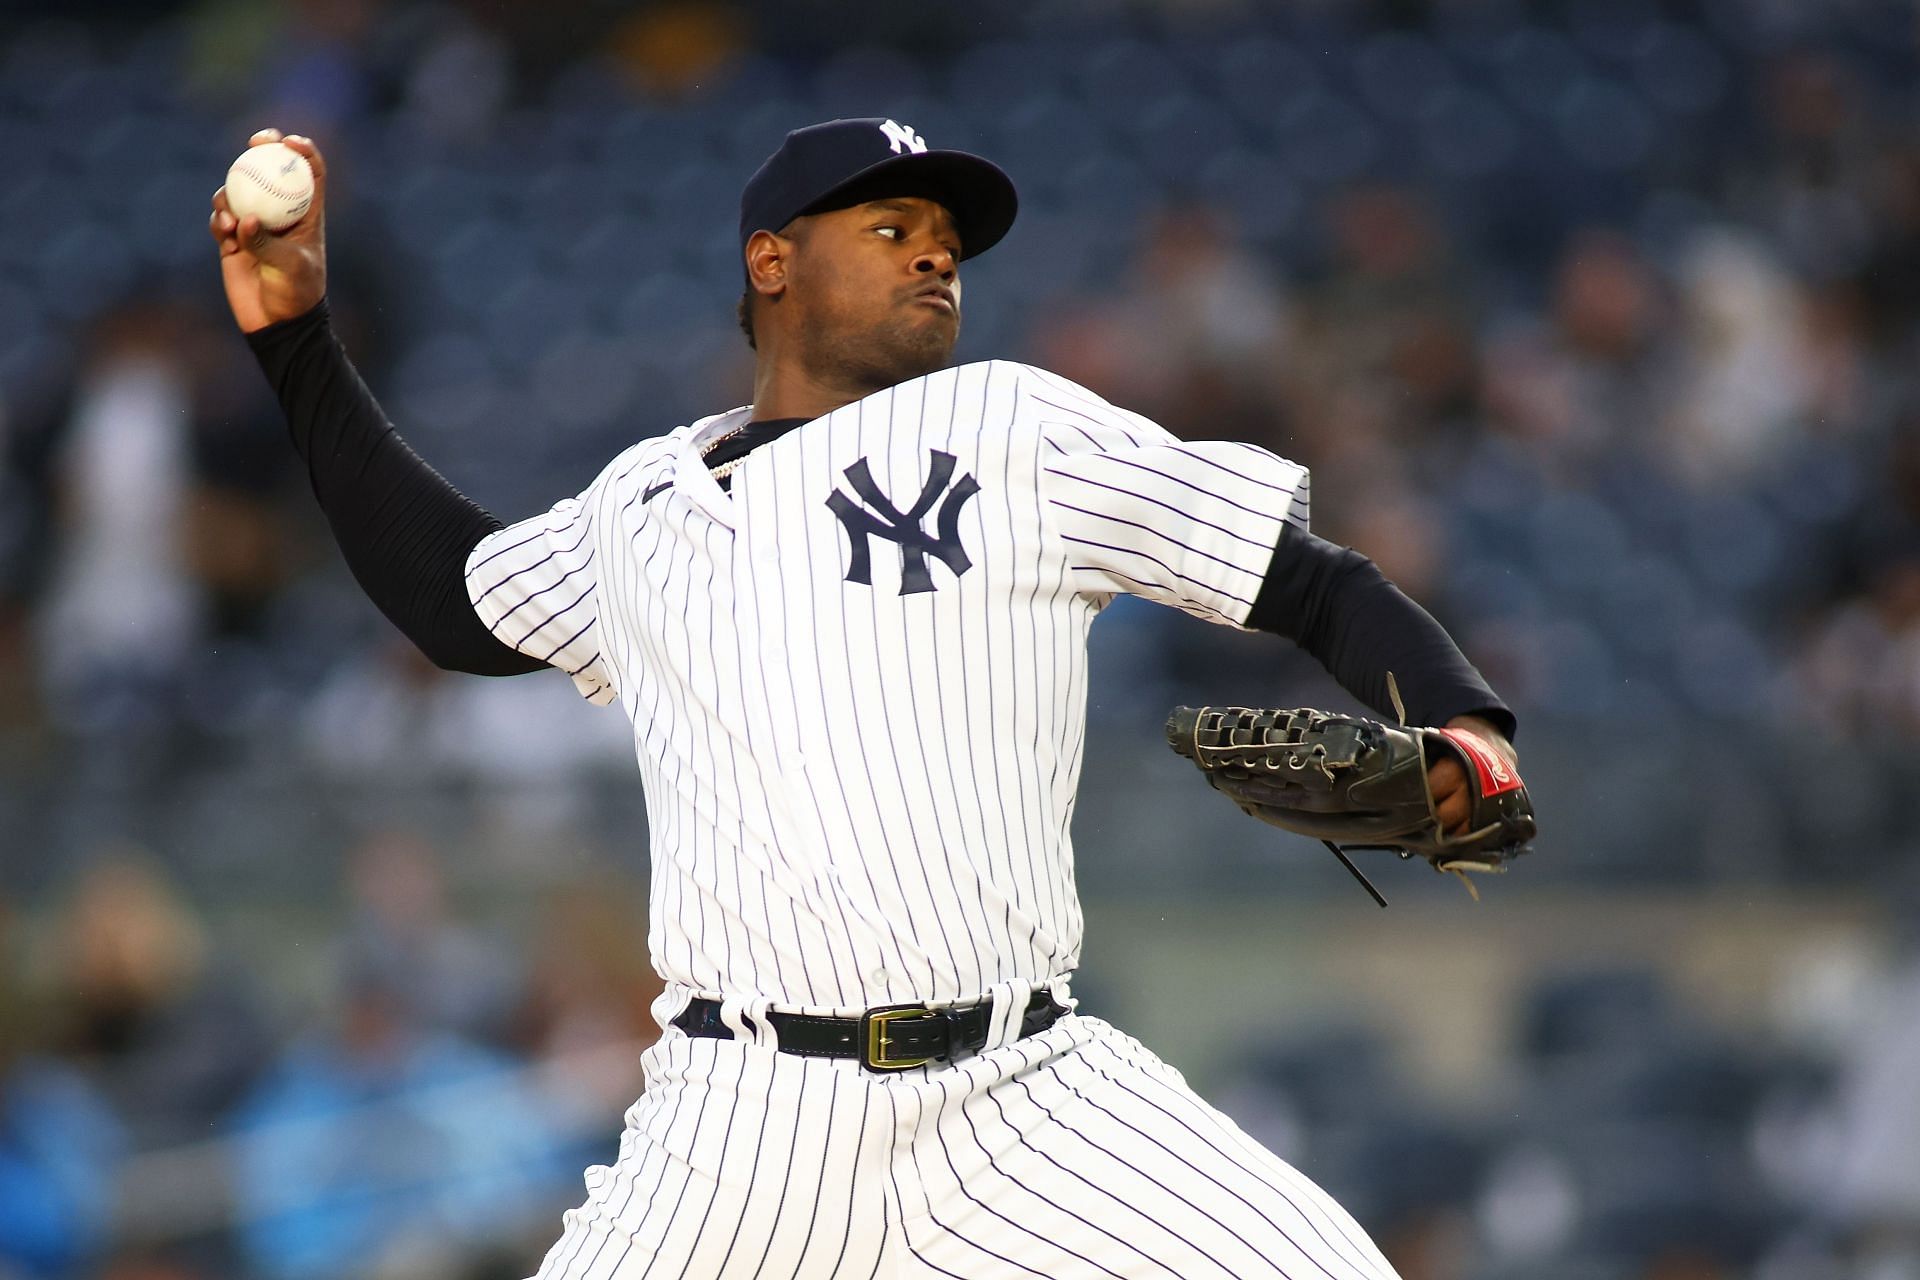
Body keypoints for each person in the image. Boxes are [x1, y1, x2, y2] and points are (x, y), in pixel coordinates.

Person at [210, 118, 1519, 1279]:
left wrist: (1467, 724)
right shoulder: (638, 505)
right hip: (738, 1127)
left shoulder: (1017, 430)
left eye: (948, 237)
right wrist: (296, 346)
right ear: (772, 262)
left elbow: (1311, 582)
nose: (936, 254)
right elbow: (455, 598)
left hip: (1023, 1096)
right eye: (892, 227)